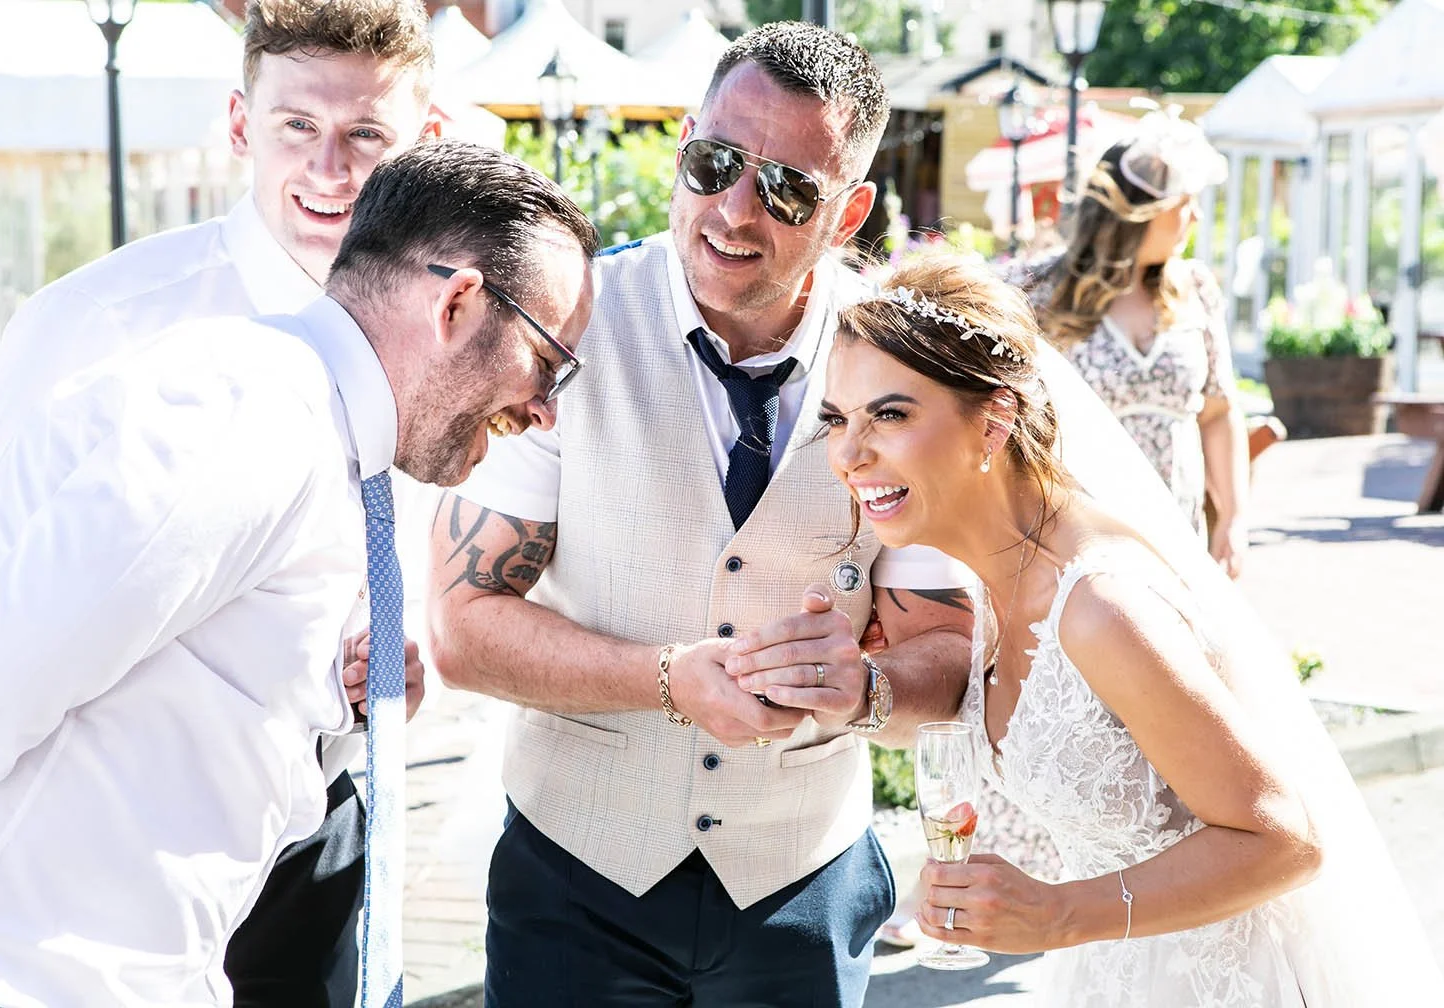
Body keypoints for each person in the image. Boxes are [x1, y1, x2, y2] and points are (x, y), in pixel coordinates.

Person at [0, 140, 597, 1008]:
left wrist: (346, 702)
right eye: (550, 360)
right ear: (459, 302)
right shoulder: (251, 418)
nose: (546, 406)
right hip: (22, 977)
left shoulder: (318, 435)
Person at [428, 22, 975, 1008]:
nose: (733, 209)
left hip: (803, 881)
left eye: (787, 189)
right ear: (684, 143)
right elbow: (462, 626)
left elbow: (947, 648)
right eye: (715, 162)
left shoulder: (903, 370)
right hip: (575, 879)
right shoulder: (566, 328)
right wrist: (669, 679)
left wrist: (867, 689)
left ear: (847, 210)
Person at [0, 2, 440, 1003]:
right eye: (298, 127)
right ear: (243, 125)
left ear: (422, 144)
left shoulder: (434, 335)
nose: (330, 168)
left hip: (317, 821)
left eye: (366, 136)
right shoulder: (90, 325)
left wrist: (390, 659)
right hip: (103, 875)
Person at [818, 249, 1442, 1005]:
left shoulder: (1100, 606)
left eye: (889, 414)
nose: (849, 454)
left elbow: (1286, 838)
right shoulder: (995, 576)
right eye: (836, 419)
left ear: (994, 422)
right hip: (1115, 973)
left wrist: (1057, 914)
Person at [1019, 112, 1250, 577]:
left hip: (1178, 536)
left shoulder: (1196, 288)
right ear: (1146, 209)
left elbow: (1219, 412)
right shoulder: (1038, 289)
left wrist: (1233, 517)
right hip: (1077, 537)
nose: (1197, 217)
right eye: (1188, 202)